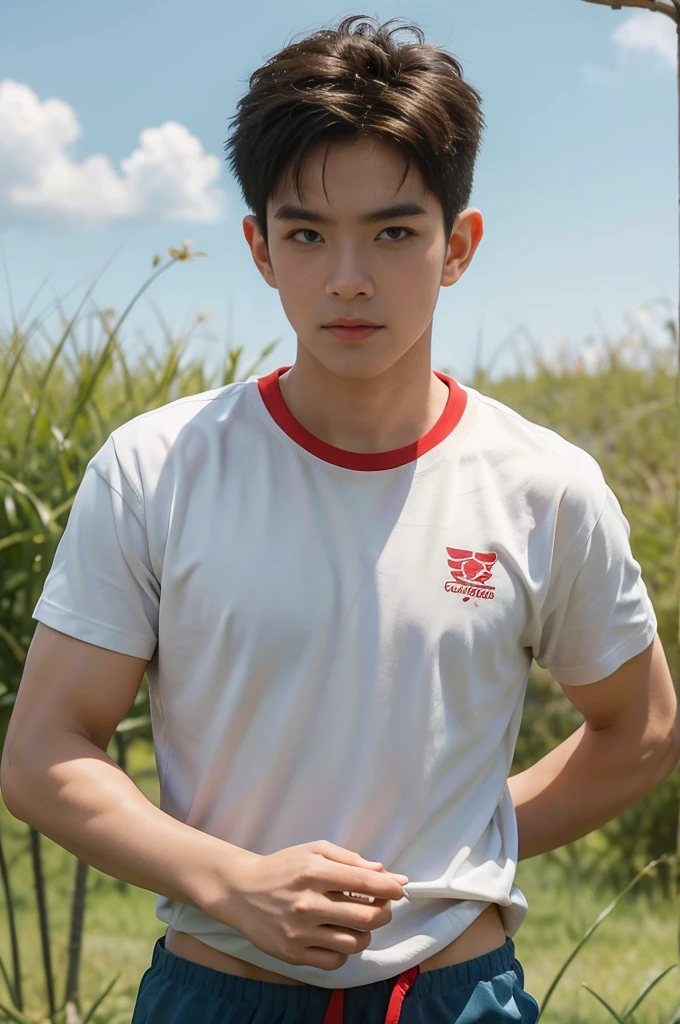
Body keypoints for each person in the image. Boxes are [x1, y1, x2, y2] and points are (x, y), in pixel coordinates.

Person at [1, 13, 674, 1024]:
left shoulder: (543, 484)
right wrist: (229, 878)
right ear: (259, 249)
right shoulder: (157, 467)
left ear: (458, 246)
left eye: (393, 231)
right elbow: (45, 749)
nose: (348, 277)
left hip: (457, 994)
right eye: (306, 234)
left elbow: (639, 728)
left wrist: (452, 849)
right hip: (214, 992)